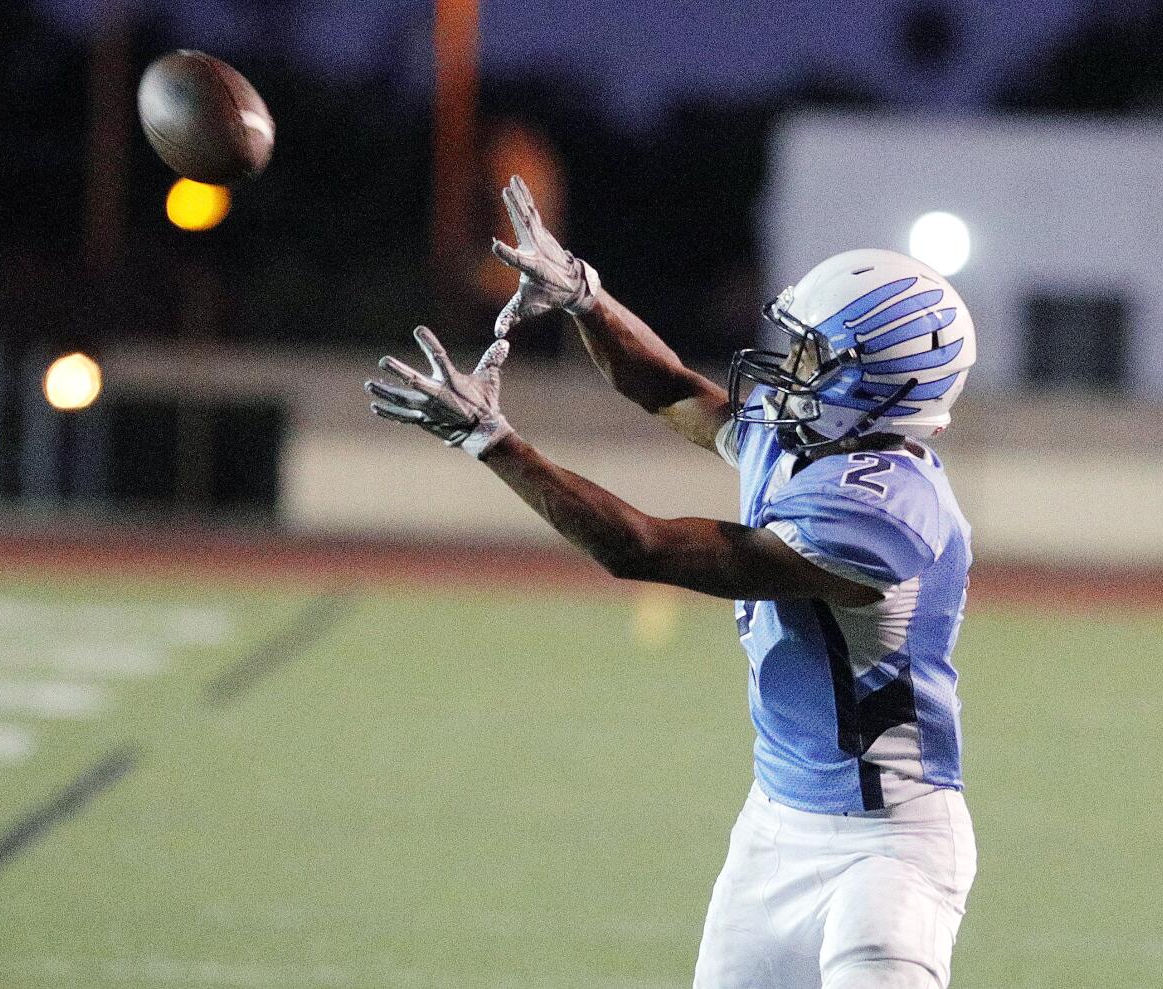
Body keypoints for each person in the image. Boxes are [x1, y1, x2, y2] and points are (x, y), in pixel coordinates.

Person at [366, 175, 978, 989]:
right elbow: (669, 389)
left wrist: (492, 441)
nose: (788, 368)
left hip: (889, 843)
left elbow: (644, 549)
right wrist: (584, 296)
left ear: (884, 387)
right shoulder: (810, 443)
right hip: (779, 818)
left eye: (814, 356)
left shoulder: (886, 515)